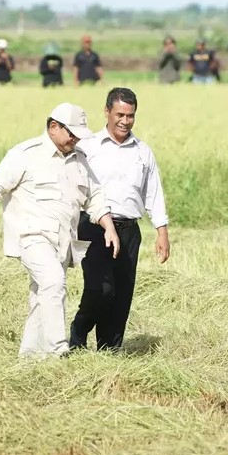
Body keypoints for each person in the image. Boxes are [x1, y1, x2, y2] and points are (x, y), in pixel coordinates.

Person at [0, 103, 120, 358]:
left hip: (63, 242)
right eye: (71, 133)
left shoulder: (79, 160)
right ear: (53, 127)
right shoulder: (25, 154)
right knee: (53, 283)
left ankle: (30, 357)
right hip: (31, 237)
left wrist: (109, 228)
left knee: (42, 295)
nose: (75, 139)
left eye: (78, 134)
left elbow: (95, 198)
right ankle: (58, 350)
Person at [69, 87, 169, 352]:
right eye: (120, 114)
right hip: (93, 228)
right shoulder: (88, 147)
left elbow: (153, 192)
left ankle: (109, 351)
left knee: (121, 295)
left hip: (129, 231)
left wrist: (162, 231)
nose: (125, 121)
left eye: (131, 116)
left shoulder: (142, 151)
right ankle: (78, 334)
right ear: (107, 112)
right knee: (100, 289)